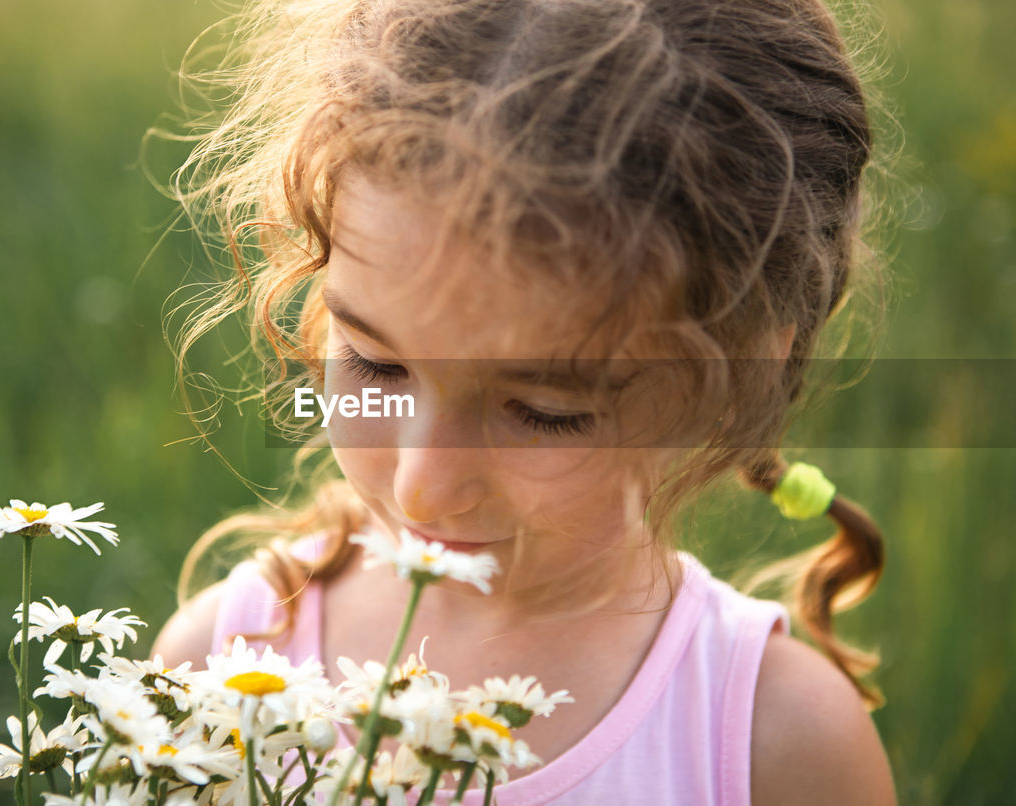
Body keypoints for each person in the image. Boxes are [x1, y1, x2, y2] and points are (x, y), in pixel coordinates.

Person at [152, 0, 897, 802]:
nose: (421, 487)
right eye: (375, 365)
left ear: (736, 376)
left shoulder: (771, 745)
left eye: (542, 410)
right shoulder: (222, 670)